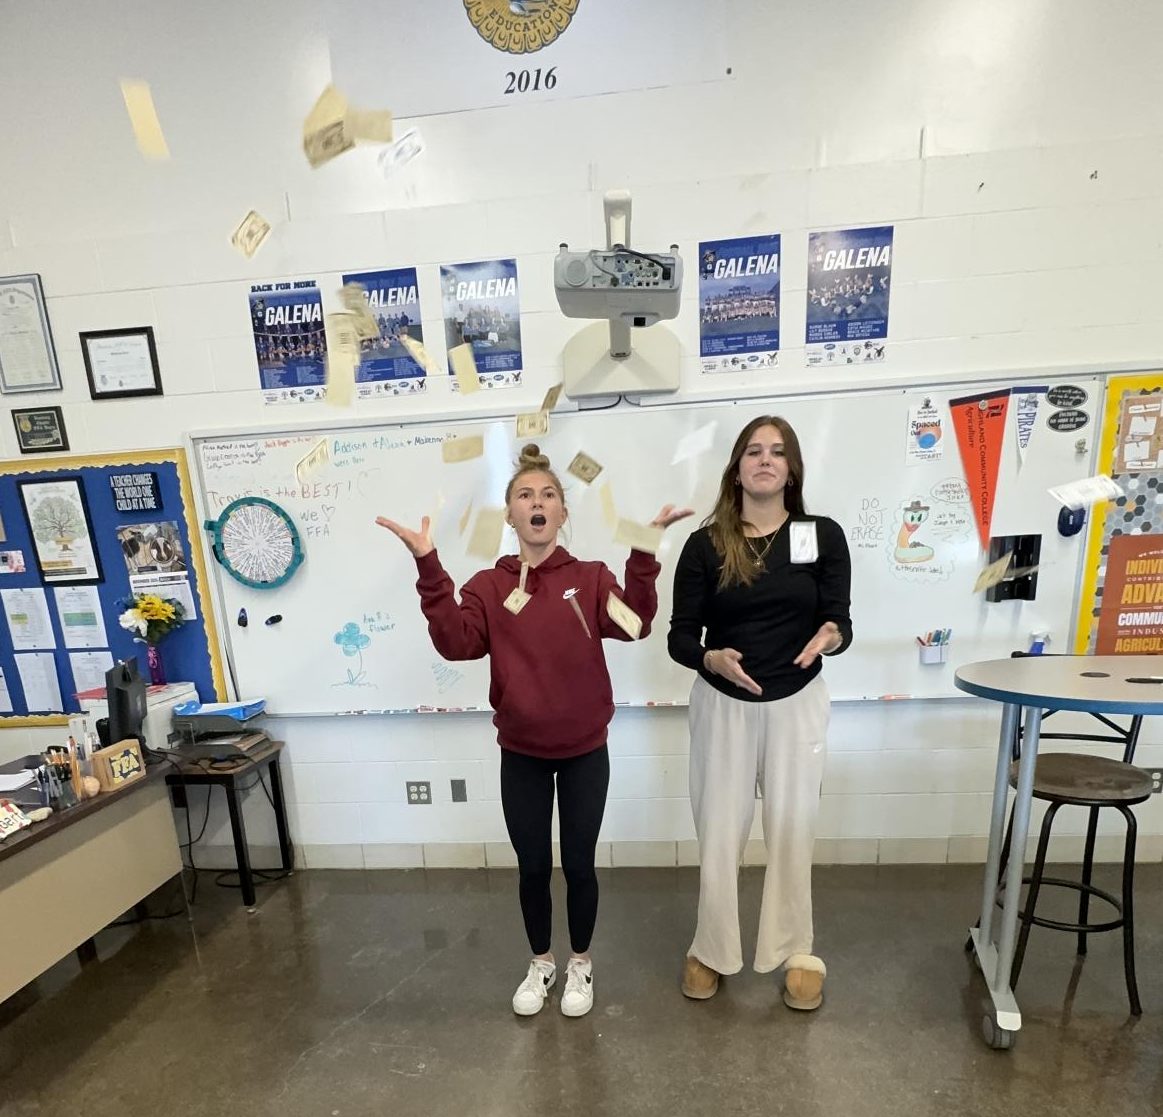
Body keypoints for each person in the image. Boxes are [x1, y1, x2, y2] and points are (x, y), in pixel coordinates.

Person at [378, 443, 691, 1019]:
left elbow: (637, 624)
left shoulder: (592, 579)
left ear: (563, 513)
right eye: (525, 495)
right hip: (520, 753)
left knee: (578, 865)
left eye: (549, 494)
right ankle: (542, 962)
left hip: (583, 753)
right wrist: (429, 565)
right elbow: (456, 644)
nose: (537, 502)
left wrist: (644, 553)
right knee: (529, 866)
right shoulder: (488, 586)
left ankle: (581, 964)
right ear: (511, 515)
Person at [667, 416, 852, 1011]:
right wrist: (708, 659)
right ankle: (711, 949)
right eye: (753, 451)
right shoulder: (706, 543)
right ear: (737, 467)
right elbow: (678, 638)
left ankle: (797, 950)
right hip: (724, 704)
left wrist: (832, 636)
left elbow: (840, 621)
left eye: (777, 452)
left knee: (793, 827)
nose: (765, 460)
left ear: (792, 468)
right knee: (720, 832)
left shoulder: (822, 536)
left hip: (797, 703)